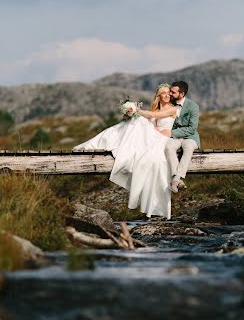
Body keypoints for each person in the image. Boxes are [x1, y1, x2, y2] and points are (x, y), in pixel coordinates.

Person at [72, 84, 177, 219]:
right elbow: (152, 117)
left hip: (163, 139)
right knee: (135, 122)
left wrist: (137, 111)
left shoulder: (172, 109)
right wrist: (132, 113)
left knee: (139, 121)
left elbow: (155, 115)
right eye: (163, 93)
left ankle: (118, 143)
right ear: (159, 96)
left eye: (169, 93)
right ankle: (112, 141)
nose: (167, 95)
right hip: (154, 135)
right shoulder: (155, 108)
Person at [161, 81, 200, 193]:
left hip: (190, 136)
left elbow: (192, 128)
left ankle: (176, 179)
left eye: (173, 92)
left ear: (182, 94)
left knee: (188, 147)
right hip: (175, 136)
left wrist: (172, 133)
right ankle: (177, 179)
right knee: (168, 147)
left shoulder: (193, 106)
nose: (170, 94)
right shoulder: (169, 104)